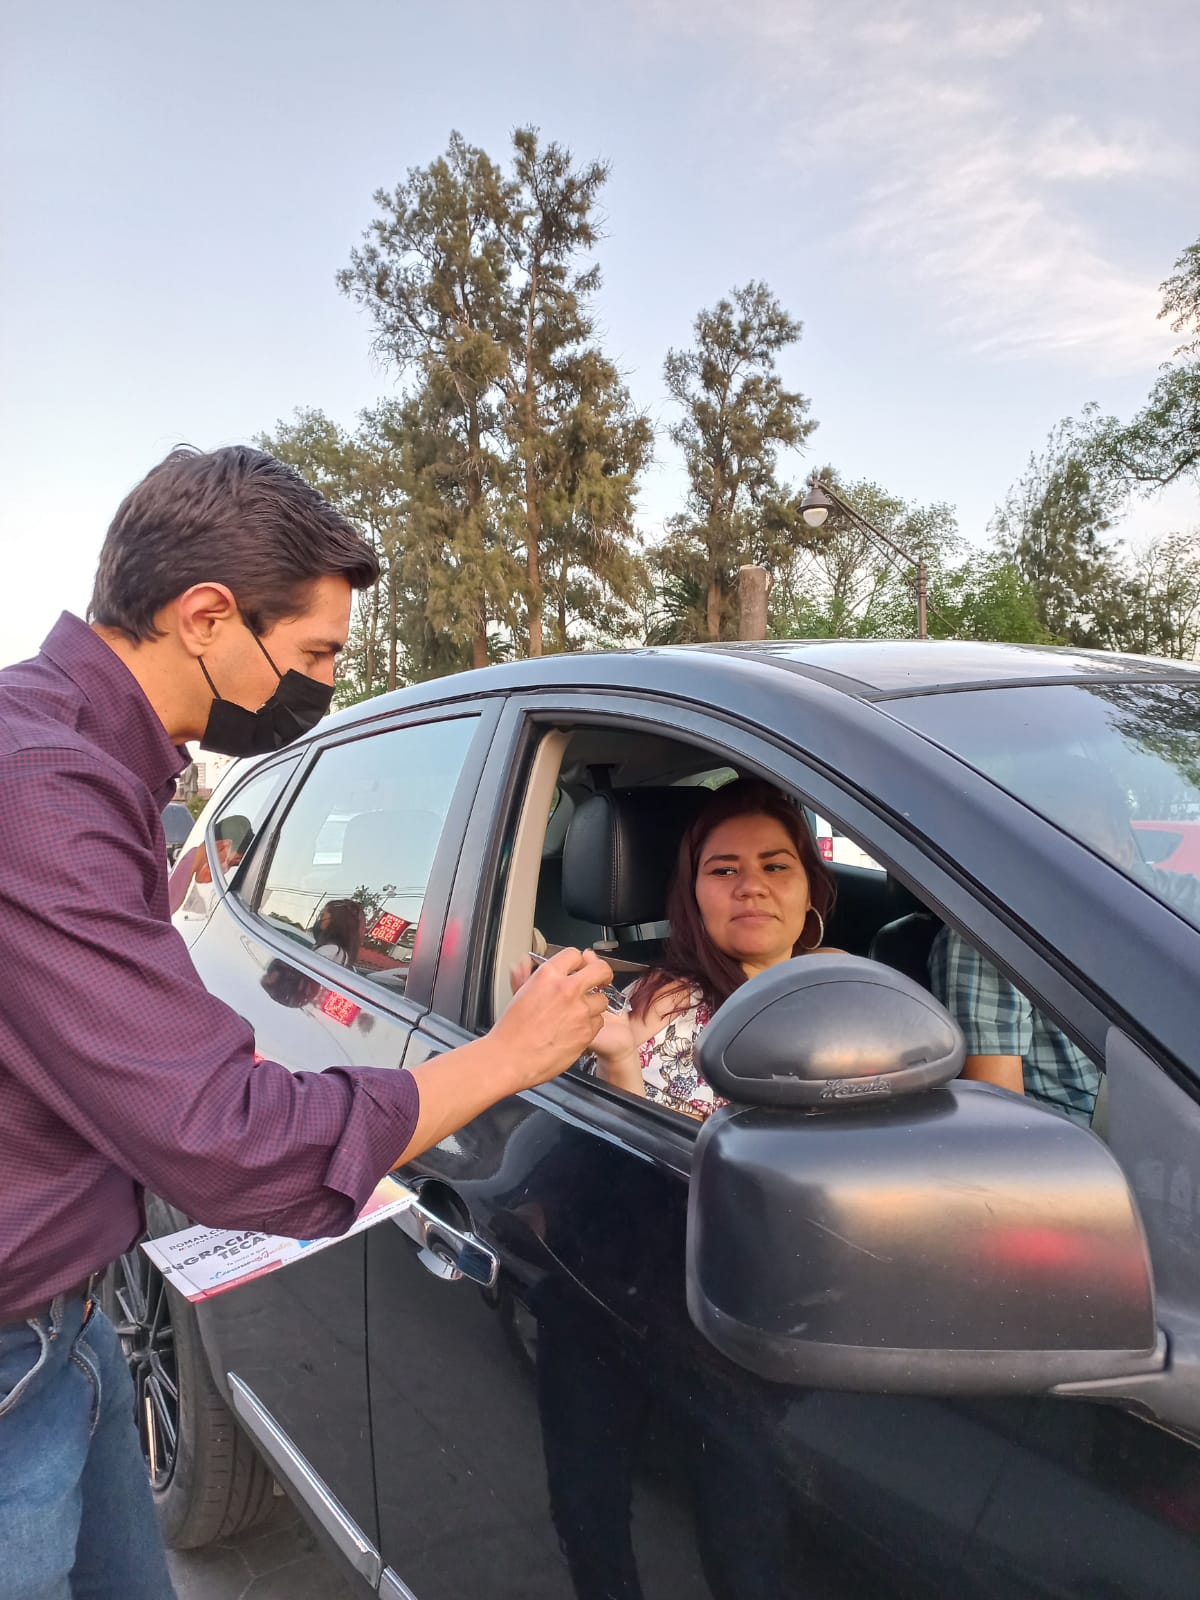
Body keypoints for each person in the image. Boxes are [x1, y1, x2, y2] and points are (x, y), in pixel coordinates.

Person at [0, 445, 613, 1600]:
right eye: (318, 653)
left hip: (65, 1331)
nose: (326, 683)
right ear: (207, 617)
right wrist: (507, 1054)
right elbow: (224, 1134)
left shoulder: (90, 762)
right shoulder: (35, 786)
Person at [517, 778, 836, 1121]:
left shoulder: (840, 980)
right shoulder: (665, 1011)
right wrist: (620, 1063)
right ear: (694, 897)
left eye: (775, 867)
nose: (752, 887)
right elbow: (644, 1158)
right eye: (724, 870)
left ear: (808, 892)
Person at [313, 897, 367, 967]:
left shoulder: (329, 951)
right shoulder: (340, 953)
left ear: (335, 921)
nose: (320, 919)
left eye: (322, 915)